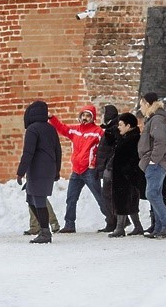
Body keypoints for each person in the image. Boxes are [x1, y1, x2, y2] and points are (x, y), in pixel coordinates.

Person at [48, 105, 107, 233]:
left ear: (93, 118)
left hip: (89, 170)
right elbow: (62, 128)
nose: (85, 118)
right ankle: (69, 224)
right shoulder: (75, 130)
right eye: (83, 115)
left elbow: (103, 150)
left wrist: (94, 163)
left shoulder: (98, 132)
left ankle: (112, 220)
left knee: (99, 196)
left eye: (88, 116)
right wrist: (52, 118)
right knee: (71, 198)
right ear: (80, 116)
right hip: (76, 170)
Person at [16, 100, 62, 244]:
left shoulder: (32, 129)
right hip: (48, 168)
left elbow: (28, 152)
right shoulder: (50, 128)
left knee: (39, 201)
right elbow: (58, 150)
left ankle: (45, 233)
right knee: (31, 199)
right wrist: (57, 169)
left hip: (37, 169)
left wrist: (20, 172)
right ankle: (44, 229)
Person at [138, 92, 166, 238]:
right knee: (156, 194)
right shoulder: (153, 119)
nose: (140, 107)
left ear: (148, 104)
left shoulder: (157, 120)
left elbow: (161, 142)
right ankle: (159, 229)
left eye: (142, 104)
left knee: (151, 194)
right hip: (153, 163)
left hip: (156, 163)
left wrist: (153, 160)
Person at [107, 112, 145, 237]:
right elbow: (110, 141)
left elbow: (132, 158)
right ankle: (138, 226)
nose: (119, 127)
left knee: (122, 200)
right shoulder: (128, 137)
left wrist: (126, 171)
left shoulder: (132, 139)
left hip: (126, 176)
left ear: (128, 126)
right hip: (126, 175)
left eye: (121, 125)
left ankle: (120, 227)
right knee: (130, 201)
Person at [95, 104, 120, 232]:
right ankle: (114, 221)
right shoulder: (110, 128)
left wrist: (108, 165)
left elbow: (113, 150)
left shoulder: (114, 129)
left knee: (108, 195)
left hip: (111, 168)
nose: (101, 116)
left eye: (103, 114)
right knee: (109, 196)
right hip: (107, 167)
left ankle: (114, 222)